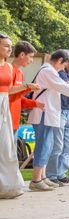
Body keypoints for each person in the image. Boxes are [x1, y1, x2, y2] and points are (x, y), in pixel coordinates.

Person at [28, 50, 69, 191]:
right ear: (59, 60)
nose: (62, 69)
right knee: (43, 146)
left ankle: (43, 177)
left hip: (48, 114)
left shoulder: (49, 71)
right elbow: (63, 87)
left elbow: (67, 86)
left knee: (48, 145)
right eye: (63, 65)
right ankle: (36, 180)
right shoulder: (48, 71)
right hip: (43, 114)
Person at [0, 33, 28, 198]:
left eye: (10, 46)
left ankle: (7, 185)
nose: (10, 49)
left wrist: (26, 87)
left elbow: (9, 91)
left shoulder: (10, 67)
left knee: (6, 146)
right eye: (6, 46)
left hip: (4, 106)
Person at [46, 49, 69, 185]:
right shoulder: (60, 74)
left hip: (66, 113)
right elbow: (68, 89)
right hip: (59, 111)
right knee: (57, 145)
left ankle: (61, 173)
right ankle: (52, 175)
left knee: (67, 145)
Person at [9, 41, 44, 133]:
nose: (32, 60)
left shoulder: (20, 73)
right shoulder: (8, 70)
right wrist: (27, 87)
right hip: (5, 120)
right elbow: (7, 94)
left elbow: (17, 98)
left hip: (14, 121)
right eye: (31, 56)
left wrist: (35, 104)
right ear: (22, 55)